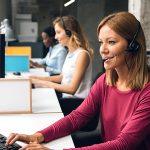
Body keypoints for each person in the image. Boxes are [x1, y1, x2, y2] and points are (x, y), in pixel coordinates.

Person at [6, 11, 150, 150]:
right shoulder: (105, 80)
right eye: (101, 42)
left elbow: (124, 144)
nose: (102, 50)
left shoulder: (147, 92)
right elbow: (78, 117)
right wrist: (38, 136)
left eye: (111, 42)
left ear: (133, 46)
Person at [30, 16, 93, 100]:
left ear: (69, 32)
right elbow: (62, 77)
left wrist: (42, 83)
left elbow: (72, 89)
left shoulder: (82, 55)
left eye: (58, 32)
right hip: (68, 99)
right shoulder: (70, 53)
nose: (55, 37)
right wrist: (39, 78)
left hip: (78, 103)